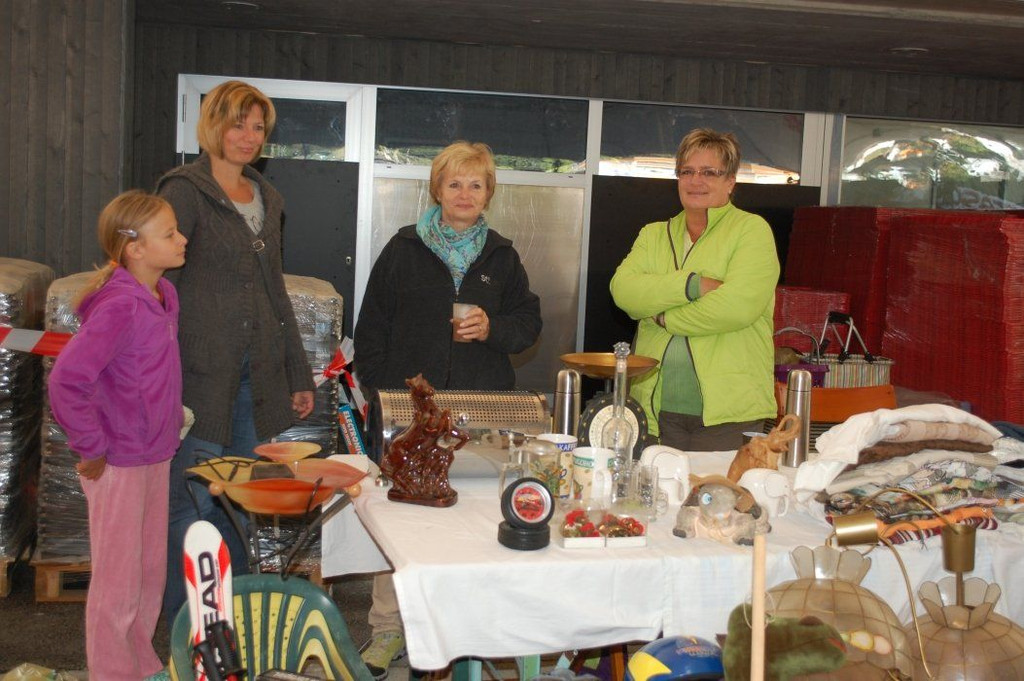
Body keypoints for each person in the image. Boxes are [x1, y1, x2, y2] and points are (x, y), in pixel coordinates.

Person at [354, 140, 542, 679]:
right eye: (454, 183)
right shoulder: (403, 249)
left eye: (475, 184)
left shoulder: (503, 256)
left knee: (475, 517)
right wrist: (388, 398)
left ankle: (471, 629)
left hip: (479, 411)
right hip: (413, 408)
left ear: (488, 194)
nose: (464, 193)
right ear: (437, 189)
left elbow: (528, 325)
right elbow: (371, 330)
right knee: (402, 517)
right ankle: (389, 629)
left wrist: (493, 328)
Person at [156, 80, 315, 623]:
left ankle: (235, 616)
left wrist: (298, 373)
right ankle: (187, 624)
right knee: (193, 501)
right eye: (237, 125)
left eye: (258, 127)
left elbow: (275, 291)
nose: (249, 137)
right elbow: (160, 282)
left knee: (241, 499)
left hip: (258, 375)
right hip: (198, 374)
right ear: (213, 127)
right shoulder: (183, 191)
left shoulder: (269, 197)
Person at [49, 190, 187, 681]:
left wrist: (170, 416)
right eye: (169, 233)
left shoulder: (162, 295)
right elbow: (67, 380)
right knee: (118, 582)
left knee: (148, 573)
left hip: (155, 454)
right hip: (118, 461)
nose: (182, 239)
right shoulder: (120, 306)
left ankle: (139, 664)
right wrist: (90, 447)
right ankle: (110, 672)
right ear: (135, 248)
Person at [610, 128, 779, 451]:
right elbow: (624, 292)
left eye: (709, 172)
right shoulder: (653, 235)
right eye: (686, 171)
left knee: (719, 487)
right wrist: (692, 285)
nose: (695, 181)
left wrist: (662, 317)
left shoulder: (751, 231)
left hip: (729, 415)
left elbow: (737, 307)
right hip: (654, 411)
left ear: (730, 181)